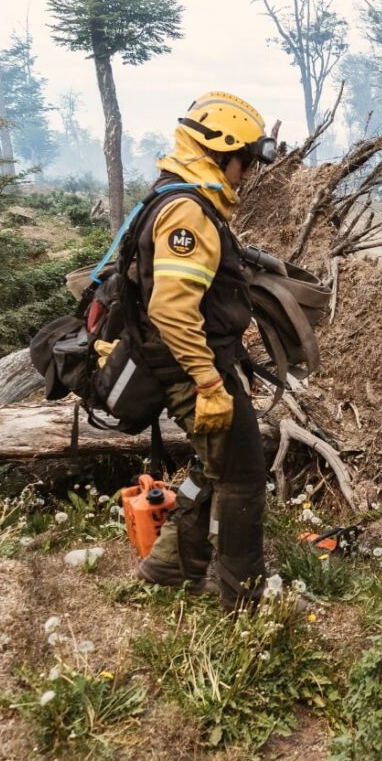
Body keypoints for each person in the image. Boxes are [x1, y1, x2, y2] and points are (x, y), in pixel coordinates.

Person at [135, 91, 279, 612]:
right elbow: (172, 310)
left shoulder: (179, 196)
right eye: (243, 162)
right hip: (191, 369)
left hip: (194, 364)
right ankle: (242, 601)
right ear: (220, 153)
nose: (245, 175)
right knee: (244, 479)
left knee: (211, 466)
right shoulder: (187, 213)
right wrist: (209, 383)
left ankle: (171, 565)